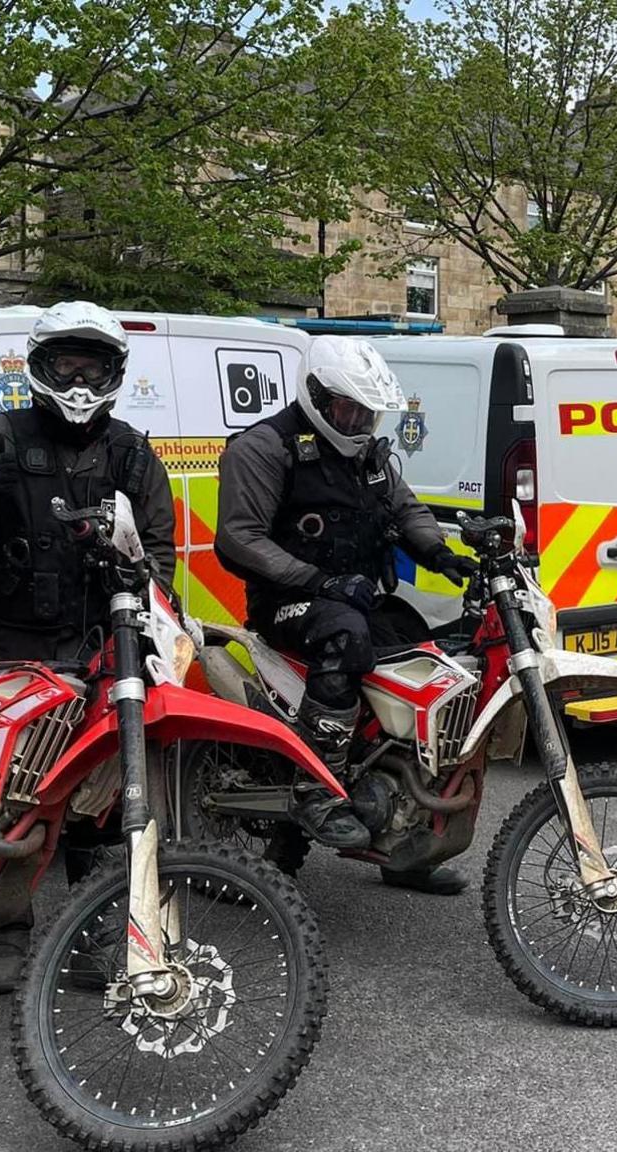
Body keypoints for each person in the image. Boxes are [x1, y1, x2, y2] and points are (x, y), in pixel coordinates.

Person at [0, 300, 177, 991]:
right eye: (67, 364)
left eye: (93, 365)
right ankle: (7, 928)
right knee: (1, 790)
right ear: (39, 367)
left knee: (98, 797)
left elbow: (160, 553)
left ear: (115, 372)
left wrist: (147, 626)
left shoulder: (132, 452)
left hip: (94, 646)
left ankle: (92, 934)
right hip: (6, 644)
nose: (80, 379)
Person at [215, 335, 479, 896]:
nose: (360, 421)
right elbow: (239, 539)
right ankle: (315, 789)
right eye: (350, 409)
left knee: (419, 654)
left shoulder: (368, 453)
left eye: (369, 412)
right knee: (346, 637)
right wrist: (319, 580)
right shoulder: (265, 449)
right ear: (317, 395)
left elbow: (406, 508)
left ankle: (403, 840)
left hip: (355, 594)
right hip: (290, 601)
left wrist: (440, 553)